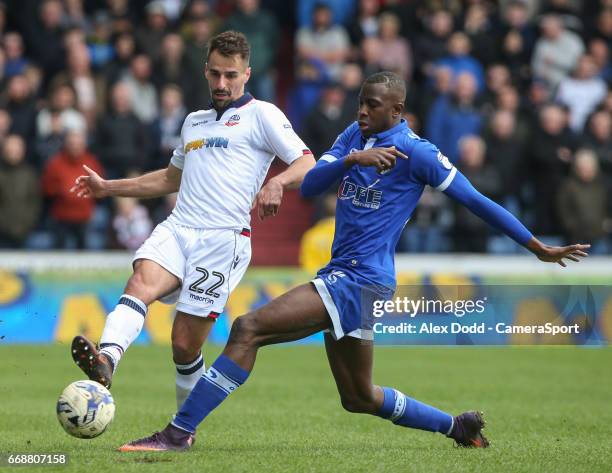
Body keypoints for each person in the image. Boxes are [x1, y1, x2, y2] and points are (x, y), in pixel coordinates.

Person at [118, 72, 589, 452]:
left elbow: (475, 199)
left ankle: (177, 434)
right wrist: (353, 159)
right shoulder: (353, 136)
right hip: (347, 277)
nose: (362, 111)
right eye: (360, 102)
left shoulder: (418, 153)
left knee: (248, 329)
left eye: (372, 105)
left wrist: (535, 246)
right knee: (358, 397)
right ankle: (456, 427)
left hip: (360, 279)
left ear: (397, 111)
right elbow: (313, 183)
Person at [69, 31, 314, 410]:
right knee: (140, 283)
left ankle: (184, 425)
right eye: (215, 74)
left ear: (246, 74)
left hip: (223, 239)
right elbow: (170, 178)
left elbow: (306, 161)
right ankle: (107, 359)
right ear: (205, 71)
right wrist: (107, 187)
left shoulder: (262, 115)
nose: (222, 83)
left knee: (184, 344)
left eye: (230, 75)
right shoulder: (194, 122)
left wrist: (278, 183)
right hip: (179, 226)